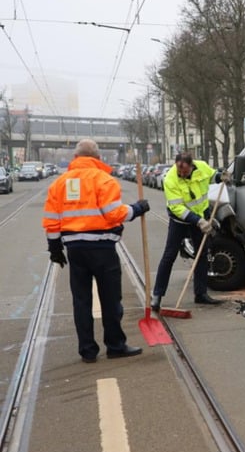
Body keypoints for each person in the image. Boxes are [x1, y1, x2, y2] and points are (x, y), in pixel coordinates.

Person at [42, 139, 150, 363]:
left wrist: (55, 248)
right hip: (102, 248)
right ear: (98, 158)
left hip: (75, 249)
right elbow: (114, 214)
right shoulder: (104, 180)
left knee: (81, 300)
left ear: (75, 158)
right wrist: (137, 208)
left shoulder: (60, 183)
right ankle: (115, 345)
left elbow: (51, 220)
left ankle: (88, 350)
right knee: (110, 299)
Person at [151, 152, 227, 312]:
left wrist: (222, 176)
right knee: (169, 255)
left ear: (191, 166)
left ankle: (201, 293)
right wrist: (199, 221)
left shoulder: (202, 167)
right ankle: (157, 295)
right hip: (180, 221)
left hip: (200, 215)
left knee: (201, 254)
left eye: (184, 172)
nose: (182, 175)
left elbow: (212, 177)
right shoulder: (170, 178)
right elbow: (176, 208)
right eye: (180, 172)